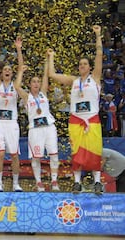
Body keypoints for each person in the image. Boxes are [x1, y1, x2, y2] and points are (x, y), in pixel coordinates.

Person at [48, 25, 104, 194]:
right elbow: (52, 75)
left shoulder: (95, 78)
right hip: (75, 122)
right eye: (80, 64)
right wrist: (51, 57)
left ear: (89, 67)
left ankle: (97, 182)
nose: (82, 66)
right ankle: (77, 182)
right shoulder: (73, 81)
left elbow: (99, 55)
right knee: (77, 153)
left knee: (94, 153)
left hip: (92, 120)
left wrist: (98, 35)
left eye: (85, 64)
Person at [14, 55, 60, 192]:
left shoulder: (44, 94)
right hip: (35, 129)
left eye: (37, 82)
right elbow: (16, 86)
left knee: (54, 154)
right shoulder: (26, 97)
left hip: (49, 127)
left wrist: (47, 60)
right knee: (36, 157)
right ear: (29, 84)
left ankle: (54, 181)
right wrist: (21, 71)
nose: (36, 84)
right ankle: (39, 182)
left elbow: (46, 76)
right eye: (33, 82)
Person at [0, 36, 24, 192]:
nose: (6, 71)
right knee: (0, 153)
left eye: (9, 70)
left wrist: (18, 49)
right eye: (5, 70)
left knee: (14, 155)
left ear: (11, 74)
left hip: (12, 124)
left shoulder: (15, 86)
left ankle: (16, 183)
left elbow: (20, 68)